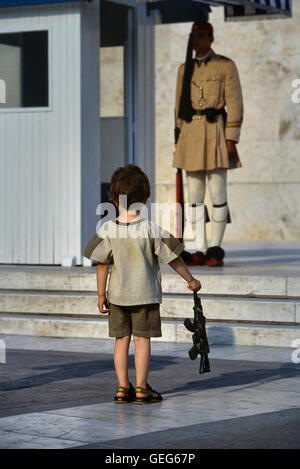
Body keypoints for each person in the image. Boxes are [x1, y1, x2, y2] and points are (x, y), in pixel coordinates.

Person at [83, 164, 201, 404]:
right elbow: (173, 258)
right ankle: (140, 389)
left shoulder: (107, 229)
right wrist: (191, 279)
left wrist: (100, 295)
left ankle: (121, 388)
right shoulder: (150, 229)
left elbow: (102, 264)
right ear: (145, 199)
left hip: (117, 297)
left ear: (114, 199)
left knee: (121, 341)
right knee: (142, 341)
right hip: (145, 297)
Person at [173, 21, 243, 267]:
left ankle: (216, 247)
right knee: (194, 195)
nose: (197, 41)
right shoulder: (185, 69)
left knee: (217, 192)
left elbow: (234, 104)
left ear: (211, 38)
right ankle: (200, 248)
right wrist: (179, 137)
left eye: (202, 36)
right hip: (192, 133)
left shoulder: (225, 65)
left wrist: (231, 138)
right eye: (194, 36)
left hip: (215, 132)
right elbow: (179, 107)